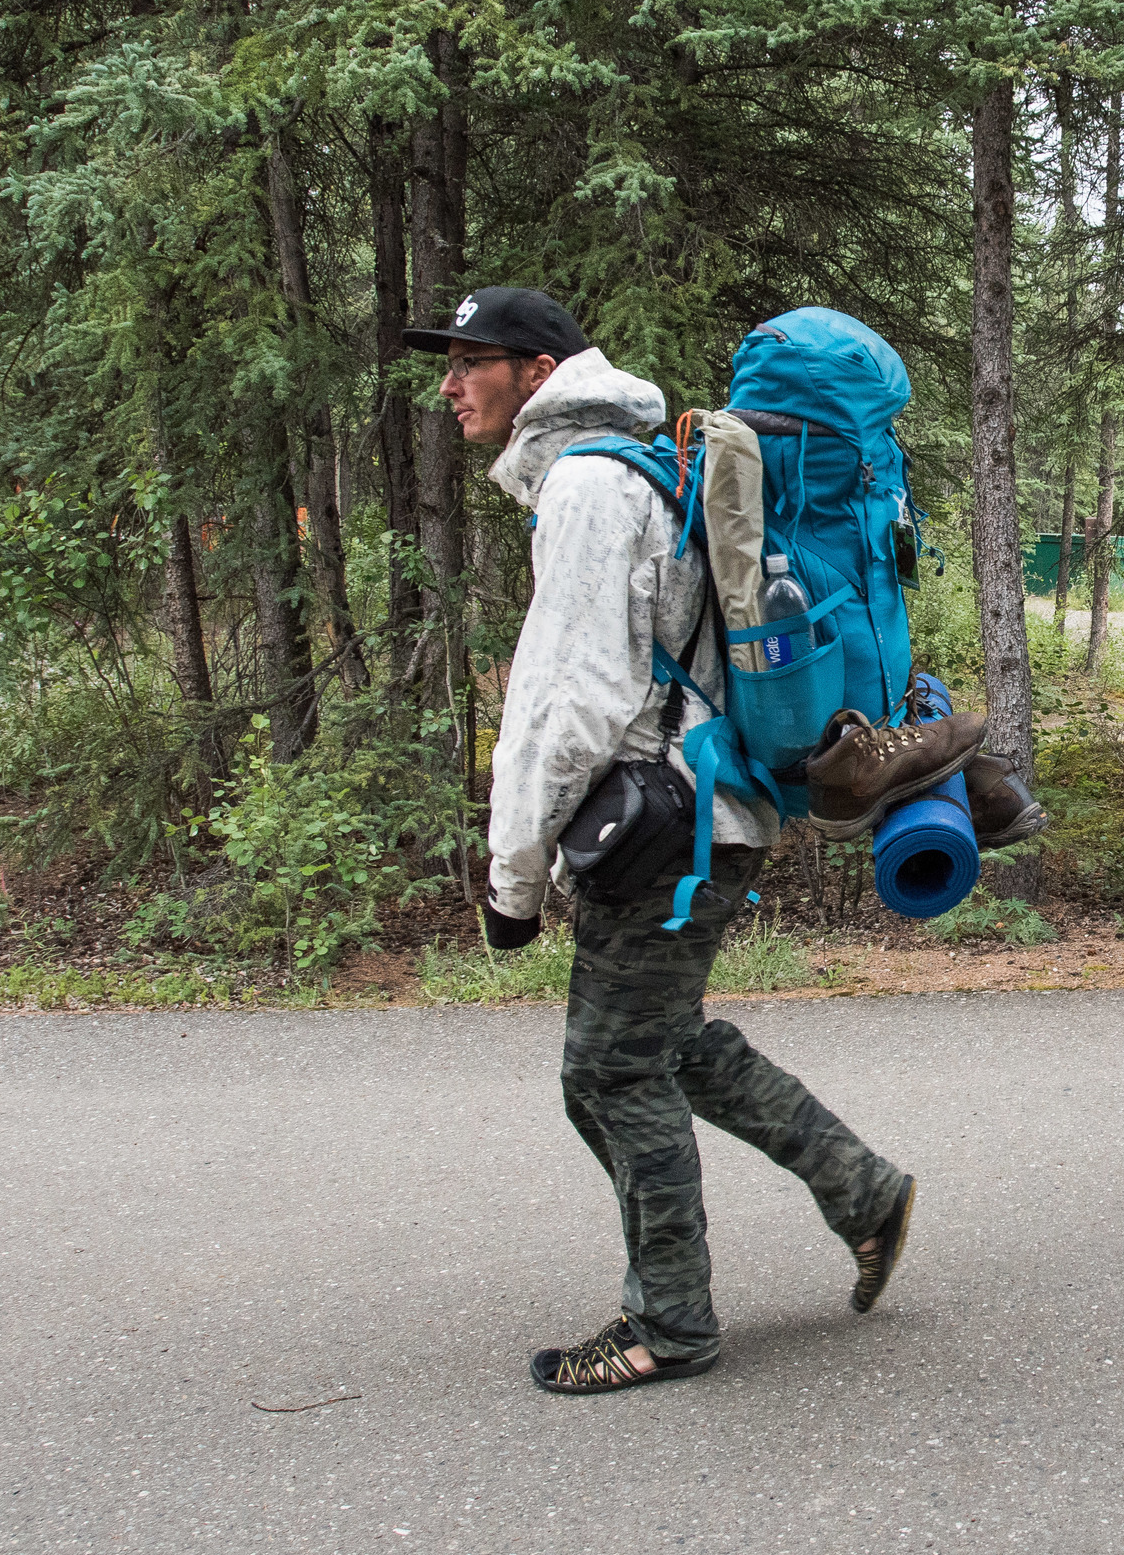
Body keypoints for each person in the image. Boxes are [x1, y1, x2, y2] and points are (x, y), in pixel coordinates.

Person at [409, 286, 954, 1395]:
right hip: (711, 809)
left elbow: (566, 704)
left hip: (669, 824)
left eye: (474, 361)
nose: (450, 385)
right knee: (662, 1040)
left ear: (541, 370)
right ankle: (861, 1188)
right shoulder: (632, 468)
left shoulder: (589, 487)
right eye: (450, 364)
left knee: (608, 1071)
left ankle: (669, 1321)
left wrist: (511, 876)